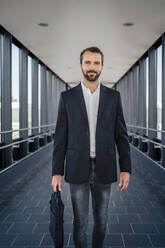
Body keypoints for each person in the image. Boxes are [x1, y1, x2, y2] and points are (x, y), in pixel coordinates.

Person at [51, 46, 132, 248]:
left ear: (102, 66)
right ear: (81, 65)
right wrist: (56, 172)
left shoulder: (114, 97)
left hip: (104, 167)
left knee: (102, 223)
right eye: (88, 62)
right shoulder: (67, 98)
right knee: (80, 224)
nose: (92, 67)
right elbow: (60, 138)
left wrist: (126, 168)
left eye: (96, 63)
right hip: (77, 167)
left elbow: (121, 135)